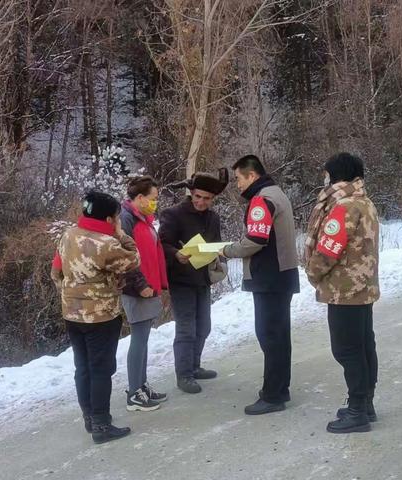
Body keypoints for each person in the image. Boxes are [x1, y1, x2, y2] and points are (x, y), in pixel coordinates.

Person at [51, 191, 140, 444]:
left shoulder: (68, 235)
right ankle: (102, 424)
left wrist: (72, 295)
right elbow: (134, 260)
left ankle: (90, 418)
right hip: (101, 317)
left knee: (83, 366)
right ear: (110, 218)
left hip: (72, 314)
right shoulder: (106, 243)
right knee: (101, 369)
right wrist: (122, 234)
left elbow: (56, 272)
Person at [304, 152, 380, 434]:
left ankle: (357, 410)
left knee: (347, 350)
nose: (324, 179)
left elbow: (327, 250)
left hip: (344, 290)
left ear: (335, 175)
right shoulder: (364, 201)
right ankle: (365, 403)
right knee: (363, 346)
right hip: (362, 288)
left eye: (326, 174)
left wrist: (312, 273)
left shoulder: (343, 206)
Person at [222, 155, 300, 415]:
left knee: (270, 336)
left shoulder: (261, 199)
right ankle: (280, 388)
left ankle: (273, 395)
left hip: (269, 277)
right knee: (279, 335)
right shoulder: (277, 193)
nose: (237, 185)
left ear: (252, 176)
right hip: (281, 275)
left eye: (238, 179)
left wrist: (227, 250)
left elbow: (255, 239)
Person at [159, 168, 229, 394]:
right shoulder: (173, 214)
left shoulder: (213, 217)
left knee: (204, 326)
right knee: (186, 329)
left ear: (213, 199)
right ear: (191, 193)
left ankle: (195, 366)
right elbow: (162, 245)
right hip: (181, 280)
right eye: (197, 196)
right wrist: (175, 254)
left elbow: (216, 243)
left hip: (202, 278)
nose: (201, 202)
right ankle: (184, 374)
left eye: (206, 199)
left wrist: (218, 253)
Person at [121, 176, 169, 411]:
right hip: (136, 289)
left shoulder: (143, 218)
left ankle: (141, 385)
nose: (155, 202)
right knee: (139, 339)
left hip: (148, 286)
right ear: (139, 198)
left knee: (144, 338)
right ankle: (134, 393)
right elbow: (125, 257)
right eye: (153, 198)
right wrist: (140, 284)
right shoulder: (126, 219)